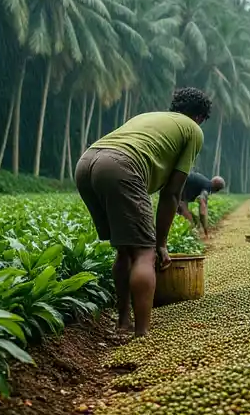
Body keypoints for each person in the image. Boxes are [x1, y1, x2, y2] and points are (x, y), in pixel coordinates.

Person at [74, 87, 211, 336]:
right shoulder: (193, 130)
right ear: (200, 117)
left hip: (87, 163)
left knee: (125, 250)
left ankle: (124, 322)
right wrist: (160, 243)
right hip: (121, 165)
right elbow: (172, 193)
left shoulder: (150, 117)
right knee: (144, 254)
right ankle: (142, 333)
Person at [178, 172, 226, 238]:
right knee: (189, 220)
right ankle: (192, 236)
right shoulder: (207, 187)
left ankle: (190, 234)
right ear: (216, 189)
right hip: (178, 187)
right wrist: (206, 230)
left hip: (181, 185)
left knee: (190, 217)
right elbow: (202, 212)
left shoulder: (204, 183)